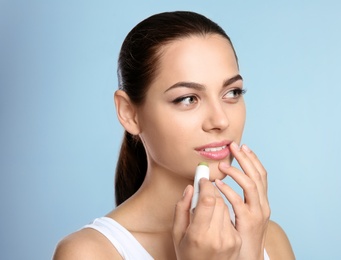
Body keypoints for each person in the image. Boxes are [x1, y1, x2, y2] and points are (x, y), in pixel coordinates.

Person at [53, 11, 295, 260]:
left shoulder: (270, 239)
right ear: (129, 113)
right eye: (188, 99)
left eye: (232, 93)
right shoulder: (90, 252)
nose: (220, 120)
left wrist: (251, 252)